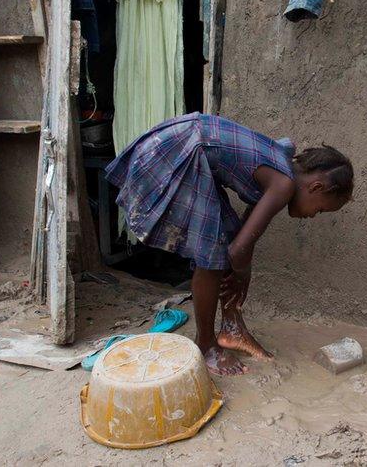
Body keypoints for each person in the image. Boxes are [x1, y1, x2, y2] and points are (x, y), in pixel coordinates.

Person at [106, 113, 354, 375]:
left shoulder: (282, 167)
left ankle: (231, 330)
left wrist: (241, 269)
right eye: (321, 210)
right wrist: (242, 272)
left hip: (189, 146)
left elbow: (245, 236)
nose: (314, 215)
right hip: (180, 151)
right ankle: (206, 345)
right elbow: (237, 252)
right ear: (315, 187)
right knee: (213, 256)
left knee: (229, 235)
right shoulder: (283, 184)